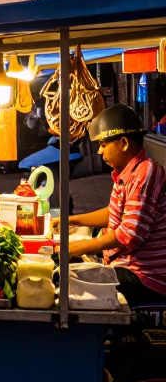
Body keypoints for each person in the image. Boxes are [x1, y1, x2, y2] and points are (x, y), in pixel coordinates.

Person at [59, 103, 166, 306]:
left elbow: (129, 233)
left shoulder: (146, 172)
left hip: (144, 277)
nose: (99, 152)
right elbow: (114, 214)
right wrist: (70, 220)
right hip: (124, 266)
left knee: (73, 286)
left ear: (124, 142)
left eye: (103, 144)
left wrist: (79, 248)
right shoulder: (127, 174)